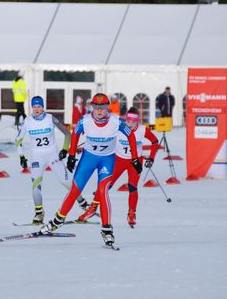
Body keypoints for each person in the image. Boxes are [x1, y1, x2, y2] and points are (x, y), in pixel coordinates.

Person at [39, 93, 142, 246]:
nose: (99, 111)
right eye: (96, 107)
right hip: (88, 159)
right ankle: (58, 220)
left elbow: (131, 137)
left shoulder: (116, 122)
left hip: (107, 160)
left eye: (102, 108)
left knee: (103, 190)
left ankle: (106, 229)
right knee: (75, 190)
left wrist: (134, 158)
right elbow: (75, 135)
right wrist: (72, 155)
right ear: (92, 107)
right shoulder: (85, 121)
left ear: (108, 107)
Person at [77, 107, 159, 227]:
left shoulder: (142, 130)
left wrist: (151, 158)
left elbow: (155, 141)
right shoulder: (120, 128)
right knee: (105, 185)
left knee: (133, 187)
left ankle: (132, 213)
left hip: (135, 162)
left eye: (133, 122)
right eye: (128, 122)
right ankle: (92, 208)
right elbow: (104, 135)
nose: (130, 125)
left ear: (138, 122)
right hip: (118, 160)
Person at [15, 96, 90, 224]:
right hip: (37, 158)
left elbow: (67, 133)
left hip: (53, 155)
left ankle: (83, 203)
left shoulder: (50, 118)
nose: (37, 109)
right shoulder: (28, 121)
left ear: (43, 107)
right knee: (35, 186)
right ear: (31, 108)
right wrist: (21, 156)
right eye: (34, 107)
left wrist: (64, 150)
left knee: (66, 181)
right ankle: (39, 214)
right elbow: (18, 140)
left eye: (39, 106)